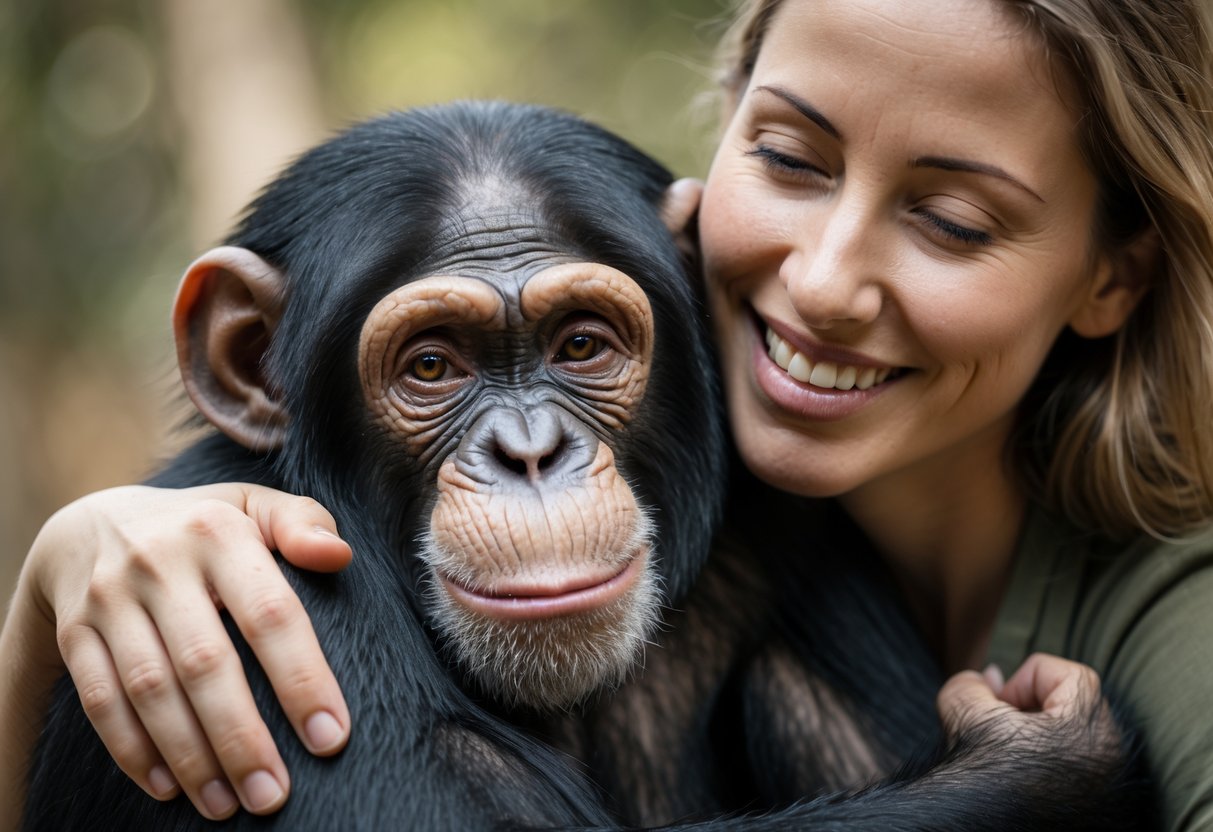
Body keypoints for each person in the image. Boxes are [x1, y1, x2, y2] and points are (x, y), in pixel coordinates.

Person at [5, 0, 1213, 827]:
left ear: (679, 307)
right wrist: (1006, 800)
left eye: (584, 347)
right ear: (251, 367)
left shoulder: (761, 539)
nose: (529, 444)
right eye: (430, 368)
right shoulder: (229, 610)